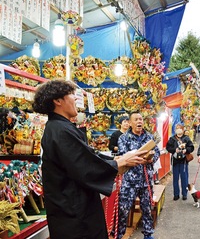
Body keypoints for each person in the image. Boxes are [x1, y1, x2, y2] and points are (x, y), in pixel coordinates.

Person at [32, 79, 146, 239]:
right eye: (71, 94)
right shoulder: (60, 130)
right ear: (58, 101)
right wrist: (121, 162)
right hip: (74, 217)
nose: (76, 98)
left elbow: (86, 156)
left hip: (72, 212)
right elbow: (85, 167)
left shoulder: (59, 128)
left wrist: (117, 160)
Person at [116, 112, 160, 239]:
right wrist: (140, 157)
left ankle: (148, 234)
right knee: (123, 209)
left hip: (146, 180)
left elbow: (156, 152)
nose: (139, 121)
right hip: (129, 180)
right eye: (136, 119)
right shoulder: (124, 138)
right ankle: (120, 235)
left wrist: (151, 158)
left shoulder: (149, 137)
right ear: (130, 123)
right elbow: (124, 155)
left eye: (141, 119)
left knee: (147, 209)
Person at [166, 123, 194, 201]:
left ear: (183, 129)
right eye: (177, 128)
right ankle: (176, 194)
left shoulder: (186, 138)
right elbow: (168, 147)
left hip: (184, 160)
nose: (178, 130)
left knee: (184, 177)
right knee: (175, 178)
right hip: (175, 160)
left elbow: (191, 147)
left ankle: (184, 194)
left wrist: (186, 150)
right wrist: (174, 150)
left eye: (180, 128)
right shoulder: (172, 139)